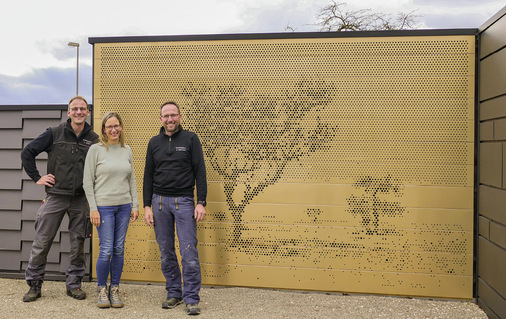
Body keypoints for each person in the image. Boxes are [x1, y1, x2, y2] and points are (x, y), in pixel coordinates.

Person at [21, 96, 99, 302]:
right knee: (42, 241)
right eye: (75, 109)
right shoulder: (54, 133)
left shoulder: (94, 139)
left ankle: (73, 285)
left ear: (88, 112)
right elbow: (27, 152)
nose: (79, 112)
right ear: (69, 112)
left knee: (78, 244)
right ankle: (34, 285)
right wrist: (38, 178)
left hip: (81, 200)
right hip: (55, 197)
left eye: (83, 109)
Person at [143, 101, 207, 316]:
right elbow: (148, 177)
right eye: (166, 116)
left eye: (173, 115)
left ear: (180, 117)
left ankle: (191, 298)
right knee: (166, 251)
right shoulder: (154, 143)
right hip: (159, 202)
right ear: (160, 119)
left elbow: (200, 172)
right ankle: (174, 292)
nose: (170, 119)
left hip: (184, 202)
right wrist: (146, 206)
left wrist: (201, 202)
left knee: (189, 251)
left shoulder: (191, 139)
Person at [83, 111, 139, 308]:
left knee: (118, 248)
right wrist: (93, 209)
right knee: (106, 249)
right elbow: (87, 182)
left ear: (121, 127)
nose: (114, 130)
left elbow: (131, 180)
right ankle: (101, 290)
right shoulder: (96, 150)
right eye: (109, 127)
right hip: (103, 207)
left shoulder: (127, 150)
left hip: (124, 206)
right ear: (104, 130)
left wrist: (135, 205)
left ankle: (115, 289)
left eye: (117, 126)